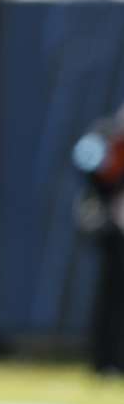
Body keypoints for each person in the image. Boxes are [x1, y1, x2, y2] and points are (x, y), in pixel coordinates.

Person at [73, 106, 124, 376]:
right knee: (107, 294)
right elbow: (86, 161)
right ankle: (102, 359)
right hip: (107, 226)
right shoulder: (103, 136)